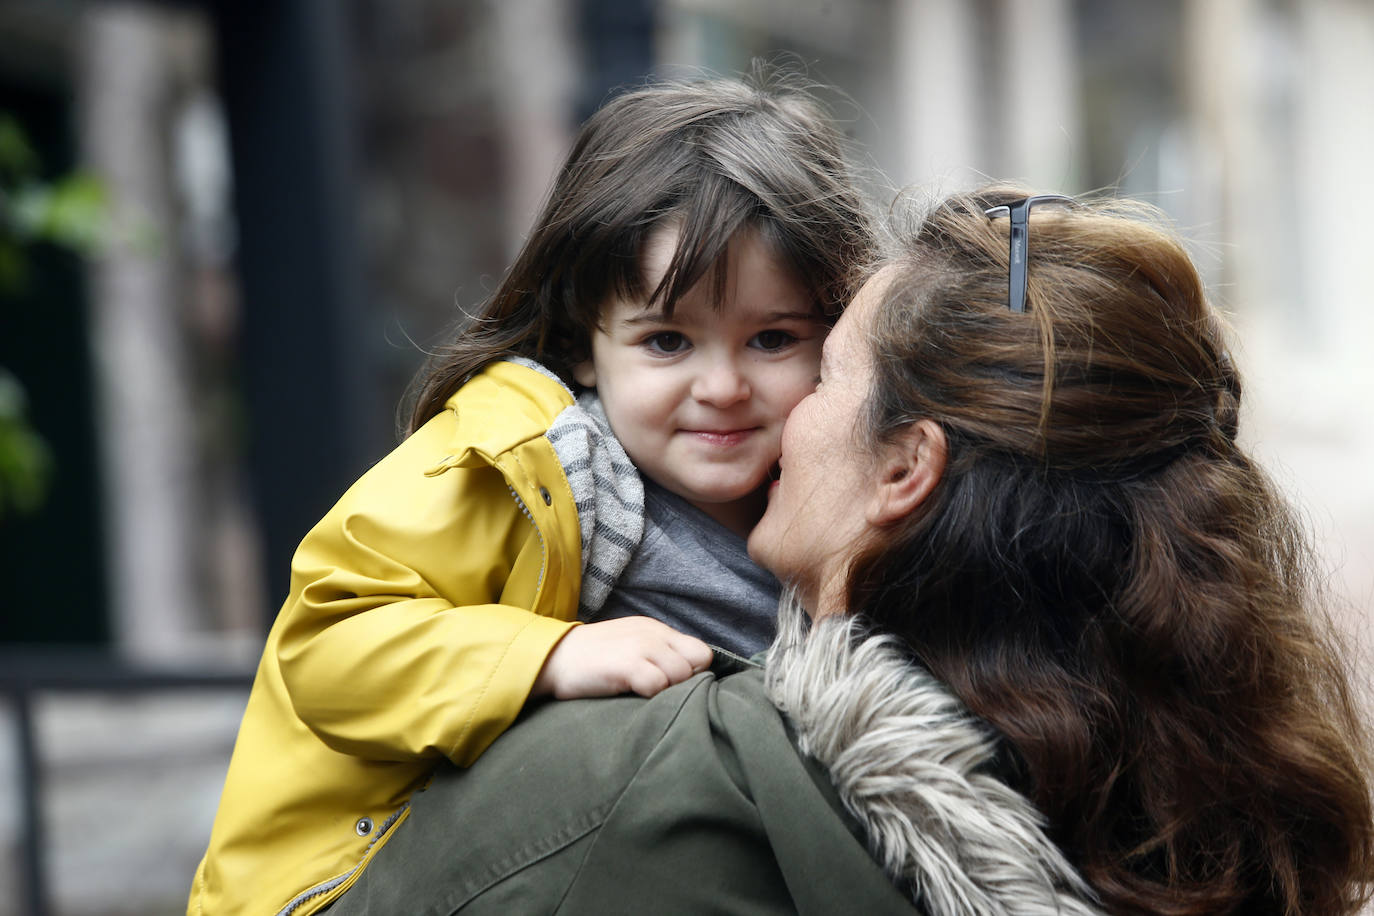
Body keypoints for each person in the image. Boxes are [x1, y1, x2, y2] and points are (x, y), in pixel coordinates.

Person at [327, 187, 1374, 916]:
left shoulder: (609, 798)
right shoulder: (1207, 832)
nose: (761, 411)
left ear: (905, 468)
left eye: (814, 366)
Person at [187, 73, 875, 915]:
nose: (723, 386)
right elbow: (326, 649)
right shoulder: (521, 462)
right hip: (363, 881)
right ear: (588, 344)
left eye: (772, 339)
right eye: (667, 341)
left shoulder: (834, 480)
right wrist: (541, 658)